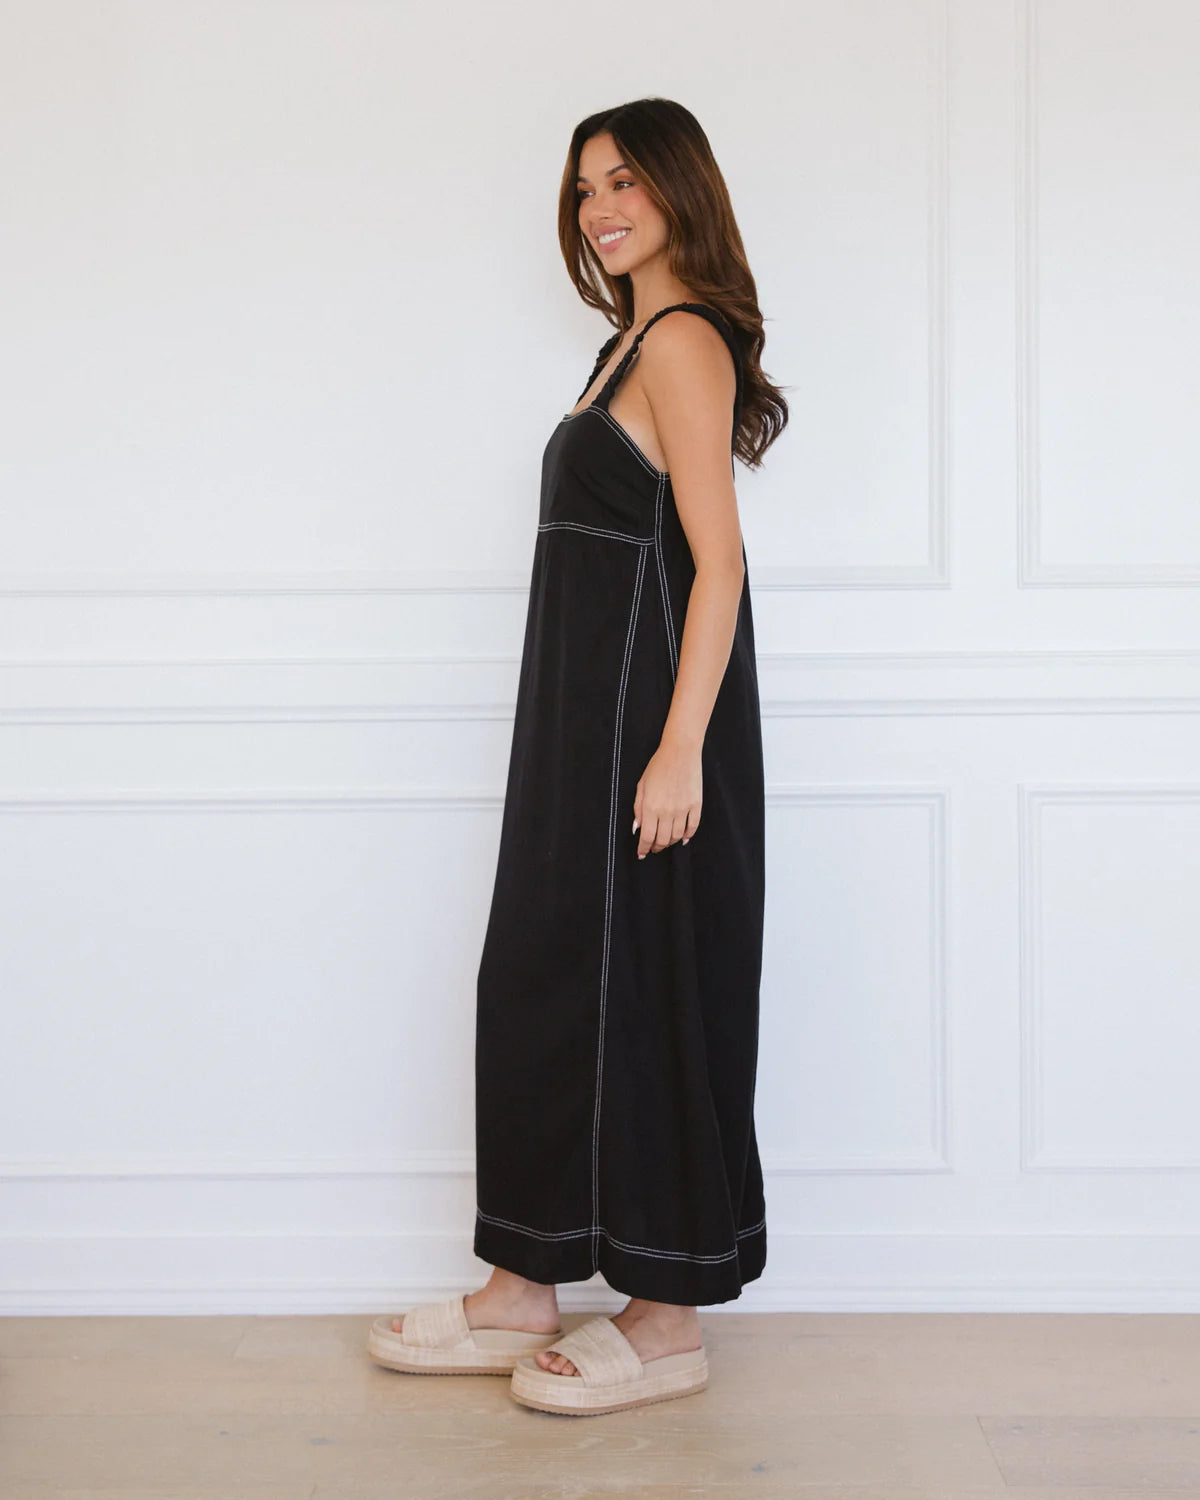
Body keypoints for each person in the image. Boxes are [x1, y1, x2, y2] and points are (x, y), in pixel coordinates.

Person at [368, 96, 789, 1415]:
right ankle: (523, 1284)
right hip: (576, 726)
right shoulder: (625, 346)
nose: (600, 207)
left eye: (623, 181)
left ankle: (666, 1319)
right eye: (584, 188)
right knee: (541, 978)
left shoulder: (683, 339)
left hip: (649, 731)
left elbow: (718, 566)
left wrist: (679, 750)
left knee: (657, 991)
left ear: (678, 189)